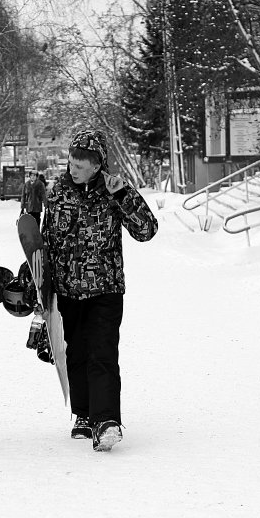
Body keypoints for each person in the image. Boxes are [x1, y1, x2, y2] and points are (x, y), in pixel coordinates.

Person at [41, 130, 158, 452]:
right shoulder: (57, 193)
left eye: (80, 164)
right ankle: (83, 414)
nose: (73, 168)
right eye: (71, 162)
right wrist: (38, 283)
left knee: (102, 353)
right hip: (67, 289)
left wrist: (125, 196)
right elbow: (45, 241)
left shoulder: (114, 191)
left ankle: (107, 421)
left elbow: (147, 231)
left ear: (97, 165)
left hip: (106, 287)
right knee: (76, 353)